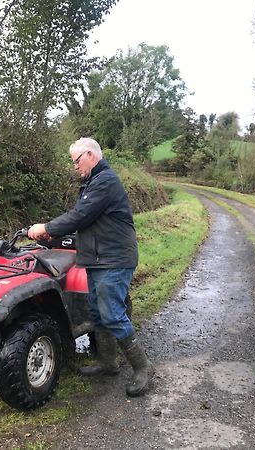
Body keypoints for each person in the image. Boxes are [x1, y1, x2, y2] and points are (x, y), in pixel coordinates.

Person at [28, 137, 154, 397]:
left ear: (89, 155)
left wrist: (47, 227)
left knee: (113, 314)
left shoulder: (105, 181)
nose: (74, 167)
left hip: (114, 259)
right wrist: (52, 237)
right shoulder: (91, 183)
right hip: (97, 259)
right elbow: (85, 221)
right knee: (97, 313)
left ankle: (143, 368)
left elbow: (80, 215)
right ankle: (108, 363)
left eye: (76, 160)